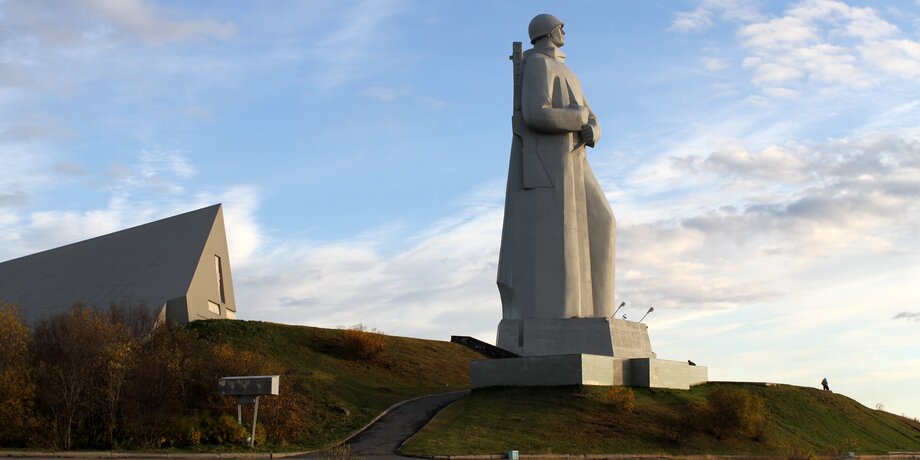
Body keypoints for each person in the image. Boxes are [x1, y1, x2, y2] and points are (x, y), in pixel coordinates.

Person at [497, 14, 615, 321]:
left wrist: (593, 129)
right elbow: (536, 113)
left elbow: (591, 114)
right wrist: (577, 119)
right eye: (560, 26)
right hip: (552, 162)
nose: (565, 31)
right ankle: (567, 315)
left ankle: (599, 313)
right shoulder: (537, 64)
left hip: (576, 158)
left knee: (604, 222)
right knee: (560, 240)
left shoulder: (567, 71)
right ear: (548, 32)